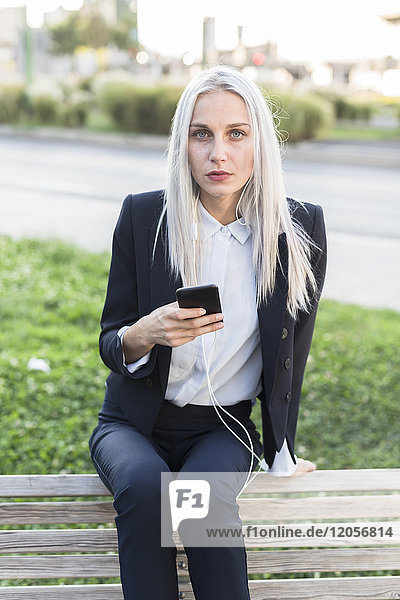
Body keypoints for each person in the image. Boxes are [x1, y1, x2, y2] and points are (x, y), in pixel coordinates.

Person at [89, 65, 327, 600]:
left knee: (199, 493)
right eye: (203, 134)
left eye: (236, 134)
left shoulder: (298, 230)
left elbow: (294, 352)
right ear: (183, 144)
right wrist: (145, 332)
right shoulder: (144, 217)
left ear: (259, 144)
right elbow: (111, 341)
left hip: (222, 429)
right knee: (149, 487)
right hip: (133, 424)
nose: (219, 153)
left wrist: (281, 448)